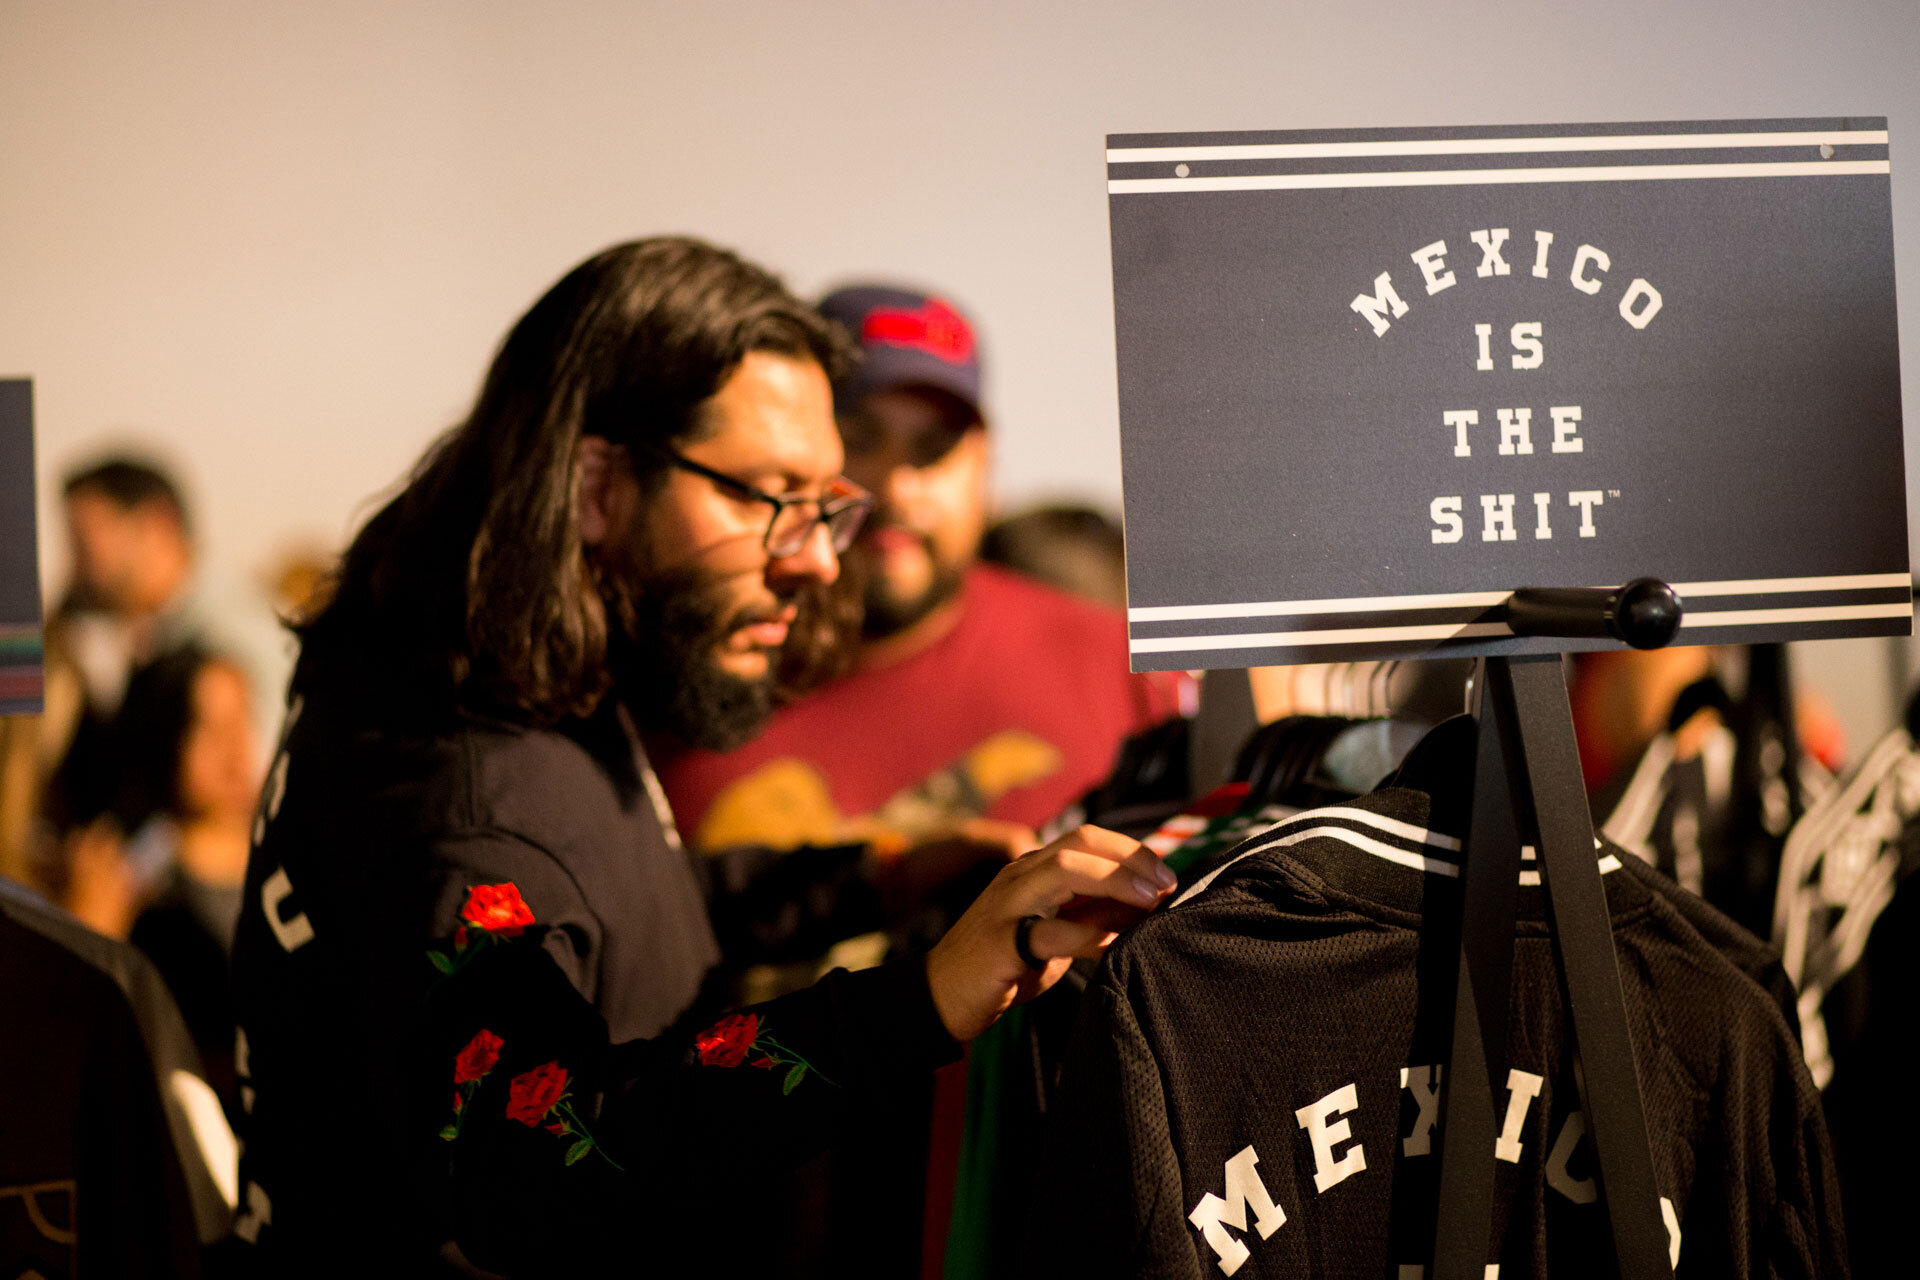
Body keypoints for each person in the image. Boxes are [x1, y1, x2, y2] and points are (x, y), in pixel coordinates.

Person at [226, 237, 1174, 1276]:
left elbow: (618, 918)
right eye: (762, 494)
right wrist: (922, 998)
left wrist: (874, 874)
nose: (815, 556)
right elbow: (536, 1153)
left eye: (822, 505)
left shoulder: (512, 691)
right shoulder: (473, 797)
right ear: (597, 485)